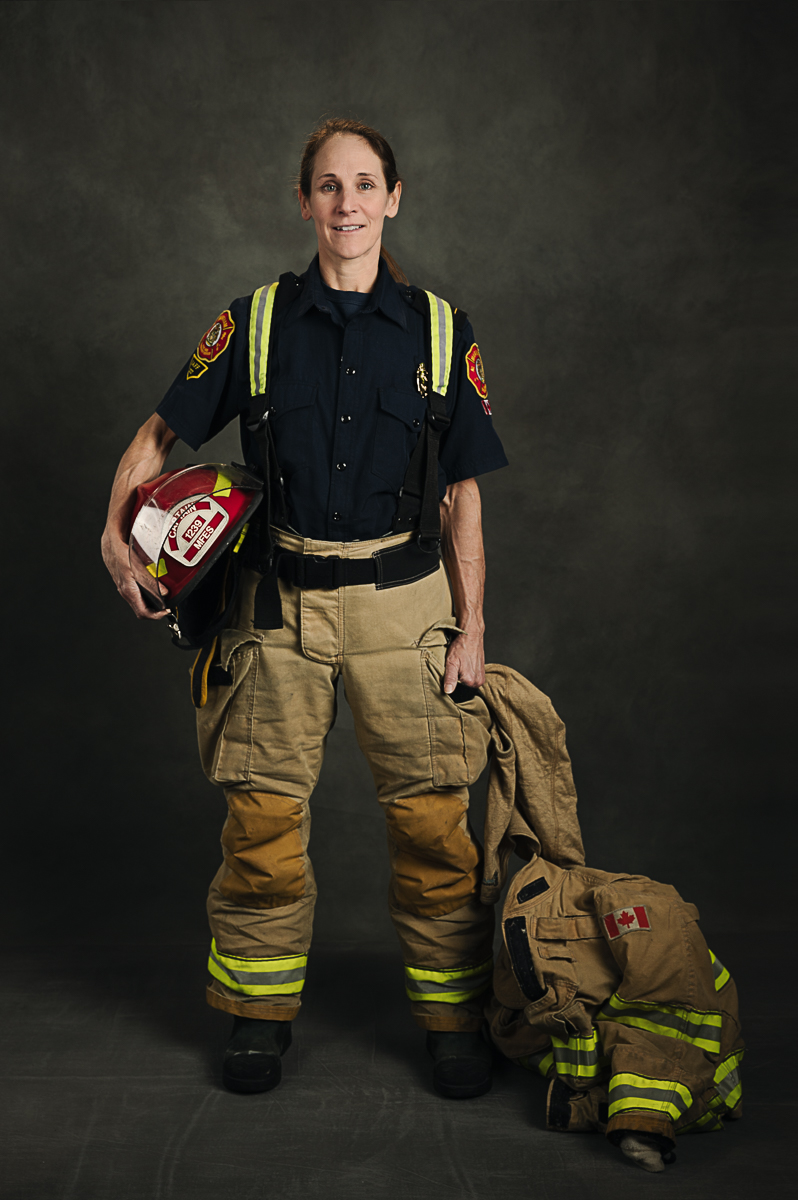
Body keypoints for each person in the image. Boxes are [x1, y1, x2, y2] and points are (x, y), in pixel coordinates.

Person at [101, 118, 508, 1097]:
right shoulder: (253, 322)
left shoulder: (442, 332)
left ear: (394, 197)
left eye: (365, 183)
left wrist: (475, 630)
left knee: (432, 827)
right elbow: (162, 432)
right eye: (328, 186)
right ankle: (256, 1017)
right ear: (304, 203)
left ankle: (453, 1021)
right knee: (262, 823)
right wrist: (115, 535)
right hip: (272, 606)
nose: (348, 202)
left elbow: (464, 494)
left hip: (402, 609)